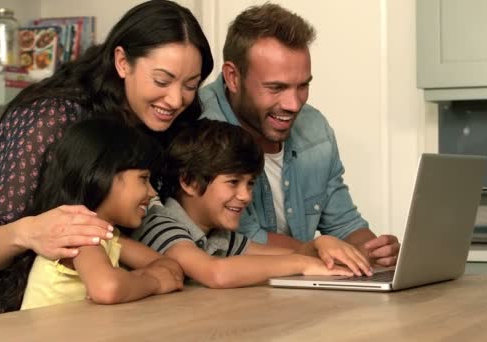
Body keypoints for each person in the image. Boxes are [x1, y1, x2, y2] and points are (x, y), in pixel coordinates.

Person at [0, 0, 213, 318]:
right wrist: (28, 232)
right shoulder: (51, 117)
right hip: (0, 317)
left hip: (93, 314)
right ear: (122, 62)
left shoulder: (160, 125)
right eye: (162, 81)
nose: (176, 99)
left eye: (190, 85)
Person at [199, 3, 400, 267]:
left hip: (298, 292)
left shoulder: (315, 129)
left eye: (302, 85)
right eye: (276, 87)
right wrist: (321, 250)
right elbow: (243, 240)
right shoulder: (201, 127)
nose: (294, 104)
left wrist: (373, 251)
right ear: (233, 77)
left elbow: (344, 223)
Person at [133, 119, 373, 289]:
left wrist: (321, 246)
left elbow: (281, 256)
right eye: (233, 182)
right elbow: (216, 273)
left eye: (250, 183)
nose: (246, 195)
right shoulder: (160, 224)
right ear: (189, 181)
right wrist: (302, 263)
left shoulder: (218, 236)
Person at [21, 119, 183, 310]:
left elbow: (169, 266)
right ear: (103, 175)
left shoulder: (108, 235)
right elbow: (108, 289)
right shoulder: (78, 233)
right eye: (144, 179)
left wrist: (135, 279)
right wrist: (155, 281)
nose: (152, 192)